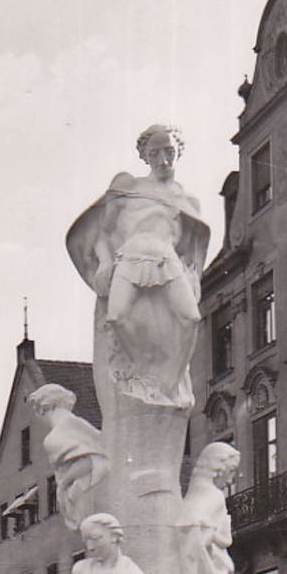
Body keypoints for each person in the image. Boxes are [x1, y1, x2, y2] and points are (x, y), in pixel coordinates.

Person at [66, 124, 210, 407]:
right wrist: (106, 260)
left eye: (169, 152)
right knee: (116, 318)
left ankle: (169, 383)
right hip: (130, 259)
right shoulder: (128, 186)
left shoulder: (188, 200)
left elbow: (190, 253)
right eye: (155, 153)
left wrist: (192, 276)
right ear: (144, 156)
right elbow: (101, 233)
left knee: (191, 319)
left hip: (166, 261)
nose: (163, 160)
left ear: (179, 151)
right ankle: (141, 367)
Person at [28, 384, 109, 529]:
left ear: (41, 409)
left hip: (86, 499)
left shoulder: (55, 437)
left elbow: (89, 461)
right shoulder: (80, 424)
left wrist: (64, 483)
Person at [177, 441, 240, 574]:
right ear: (218, 468)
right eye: (231, 470)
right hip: (208, 567)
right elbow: (223, 539)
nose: (232, 478)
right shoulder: (214, 495)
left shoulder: (195, 491)